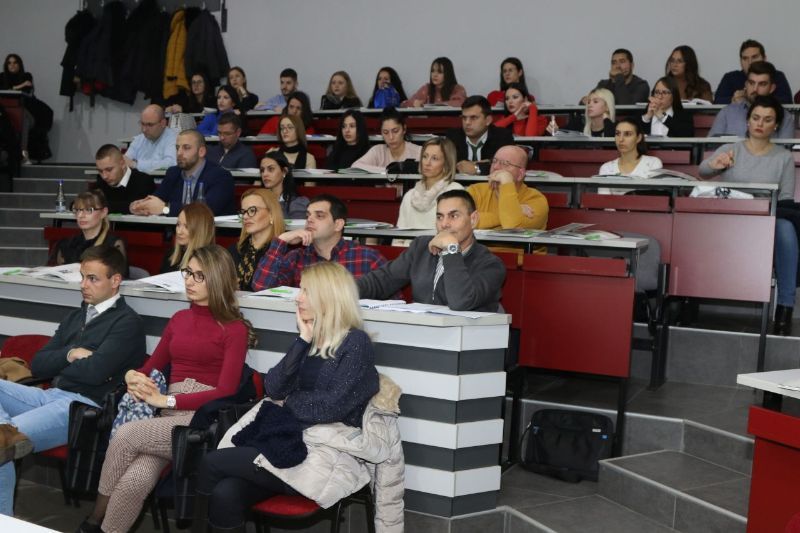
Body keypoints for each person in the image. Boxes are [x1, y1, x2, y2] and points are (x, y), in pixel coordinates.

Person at [193, 261, 382, 533]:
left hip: (319, 454)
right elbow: (273, 388)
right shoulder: (312, 339)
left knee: (211, 462)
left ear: (328, 297)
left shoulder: (355, 343)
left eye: (306, 291)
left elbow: (330, 408)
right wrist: (302, 340)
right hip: (285, 442)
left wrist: (289, 404)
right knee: (226, 493)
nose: (298, 298)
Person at [77, 245, 253, 533]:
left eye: (199, 275)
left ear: (217, 278)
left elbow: (225, 390)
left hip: (198, 420)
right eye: (188, 273)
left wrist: (167, 400)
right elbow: (152, 366)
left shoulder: (234, 328)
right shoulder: (179, 319)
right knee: (135, 481)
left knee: (125, 435)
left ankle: (94, 520)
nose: (190, 281)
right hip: (166, 416)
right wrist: (132, 375)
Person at [0, 245, 144, 516]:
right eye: (82, 277)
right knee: (3, 436)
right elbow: (38, 363)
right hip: (50, 396)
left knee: (3, 443)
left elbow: (95, 372)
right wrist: (72, 354)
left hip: (83, 408)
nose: (83, 285)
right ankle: (4, 428)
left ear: (115, 281)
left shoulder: (127, 323)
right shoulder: (76, 316)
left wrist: (65, 363)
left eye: (92, 278)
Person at [699, 95, 796, 335]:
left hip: (765, 220)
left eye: (767, 119)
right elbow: (703, 171)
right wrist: (716, 165)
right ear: (748, 121)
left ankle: (785, 306)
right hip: (730, 218)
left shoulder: (784, 157)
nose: (760, 123)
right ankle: (685, 299)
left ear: (776, 125)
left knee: (786, 228)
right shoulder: (731, 149)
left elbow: (785, 199)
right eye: (756, 117)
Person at [358, 189, 506, 312]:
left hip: (467, 336)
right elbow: (381, 281)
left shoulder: (491, 265)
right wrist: (345, 291)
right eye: (440, 217)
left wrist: (451, 249)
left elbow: (460, 302)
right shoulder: (421, 247)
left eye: (454, 216)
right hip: (423, 332)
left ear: (473, 219)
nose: (445, 224)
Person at [251, 194, 387, 291]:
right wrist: (281, 240)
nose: (309, 220)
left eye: (319, 215)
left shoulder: (367, 257)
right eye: (308, 215)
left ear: (338, 224)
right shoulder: (296, 257)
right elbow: (261, 287)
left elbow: (393, 301)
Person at [130, 129, 235, 216]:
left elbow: (205, 211)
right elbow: (157, 199)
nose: (179, 153)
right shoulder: (173, 173)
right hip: (176, 232)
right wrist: (141, 205)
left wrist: (165, 208)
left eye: (186, 148)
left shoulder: (221, 177)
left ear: (201, 152)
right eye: (177, 148)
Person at [467, 145, 548, 230]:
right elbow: (463, 222)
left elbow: (512, 227)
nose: (495, 167)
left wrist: (507, 182)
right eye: (494, 161)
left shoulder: (536, 199)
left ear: (520, 174)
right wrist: (515, 210)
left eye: (505, 163)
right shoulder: (476, 191)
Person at [709, 61, 795, 138]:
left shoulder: (785, 117)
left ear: (772, 88)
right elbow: (710, 147)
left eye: (762, 84)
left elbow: (784, 150)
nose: (755, 89)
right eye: (751, 83)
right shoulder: (726, 113)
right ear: (746, 84)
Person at [52, 190, 128, 274]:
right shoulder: (67, 244)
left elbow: (117, 277)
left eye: (88, 210)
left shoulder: (113, 244)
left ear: (104, 212)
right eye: (77, 210)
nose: (80, 215)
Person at [397, 137, 464, 230]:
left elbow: (459, 231)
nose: (427, 163)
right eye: (425, 156)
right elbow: (399, 235)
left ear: (446, 163)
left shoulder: (455, 191)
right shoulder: (409, 196)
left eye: (434, 158)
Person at [229, 188, 286, 291]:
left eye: (252, 210)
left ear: (271, 214)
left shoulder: (282, 253)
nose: (245, 216)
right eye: (243, 212)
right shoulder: (234, 250)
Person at [444, 95, 514, 176]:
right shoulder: (453, 136)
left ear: (488, 120)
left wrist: (476, 168)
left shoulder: (502, 136)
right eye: (464, 118)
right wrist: (488, 163)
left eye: (473, 118)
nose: (467, 122)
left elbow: (507, 167)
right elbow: (447, 165)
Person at [714, 39, 793, 104]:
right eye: (745, 58)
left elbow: (787, 101)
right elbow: (717, 102)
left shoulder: (776, 76)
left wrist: (750, 98)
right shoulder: (730, 78)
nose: (750, 62)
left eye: (754, 57)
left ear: (764, 58)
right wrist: (733, 99)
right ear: (740, 61)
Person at [598, 118, 663, 194]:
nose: (621, 139)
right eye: (617, 134)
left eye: (627, 134)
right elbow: (603, 200)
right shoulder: (606, 168)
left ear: (638, 138)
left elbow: (654, 197)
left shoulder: (653, 163)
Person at [351, 107, 421, 173]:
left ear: (404, 129)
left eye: (395, 131)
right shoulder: (377, 151)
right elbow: (356, 166)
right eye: (385, 132)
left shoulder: (419, 152)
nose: (391, 137)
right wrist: (389, 170)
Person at [93, 144, 155, 214]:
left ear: (122, 164)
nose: (104, 176)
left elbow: (141, 207)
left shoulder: (144, 181)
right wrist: (129, 207)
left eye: (109, 170)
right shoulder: (99, 184)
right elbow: (91, 206)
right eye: (100, 171)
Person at [160, 202, 215, 273]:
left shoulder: (211, 261)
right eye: (178, 224)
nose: (179, 231)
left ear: (200, 230)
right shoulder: (170, 255)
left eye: (187, 227)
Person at [0, 53, 35, 163]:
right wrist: (21, 85)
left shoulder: (26, 76)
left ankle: (23, 153)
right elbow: (3, 89)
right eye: (9, 63)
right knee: (22, 120)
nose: (12, 65)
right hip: (6, 111)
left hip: (25, 109)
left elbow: (27, 91)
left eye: (15, 63)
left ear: (20, 64)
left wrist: (14, 88)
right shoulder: (2, 77)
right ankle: (22, 154)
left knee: (24, 118)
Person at [583, 49, 650, 105]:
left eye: (622, 61)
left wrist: (619, 77)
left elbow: (626, 107)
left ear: (632, 65)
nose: (617, 66)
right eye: (614, 63)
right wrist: (584, 100)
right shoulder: (604, 84)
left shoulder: (641, 85)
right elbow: (586, 104)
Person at [123, 104, 178, 172]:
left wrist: (136, 164)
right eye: (142, 124)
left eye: (150, 125)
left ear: (163, 123)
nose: (144, 130)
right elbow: (126, 161)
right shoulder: (139, 138)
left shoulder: (173, 138)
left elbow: (171, 163)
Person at [259, 151, 309, 219]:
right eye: (262, 170)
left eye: (271, 169)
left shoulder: (297, 203)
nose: (265, 174)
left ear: (284, 171)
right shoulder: (257, 200)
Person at [547, 88, 616, 137]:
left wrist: (607, 121)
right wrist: (555, 131)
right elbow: (563, 134)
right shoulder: (579, 124)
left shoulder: (617, 127)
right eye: (588, 102)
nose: (589, 105)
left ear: (607, 107)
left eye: (595, 102)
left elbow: (609, 147)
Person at [402, 57, 467, 108]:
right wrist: (415, 103)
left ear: (448, 74)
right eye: (432, 71)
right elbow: (404, 104)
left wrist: (430, 106)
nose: (434, 75)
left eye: (440, 72)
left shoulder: (457, 88)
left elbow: (461, 103)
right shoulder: (427, 88)